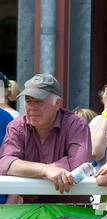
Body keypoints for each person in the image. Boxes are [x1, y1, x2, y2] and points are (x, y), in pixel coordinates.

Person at [0, 73, 91, 201]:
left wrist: (27, 172)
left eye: (39, 102)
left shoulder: (76, 124)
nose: (32, 108)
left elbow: (77, 165)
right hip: (30, 211)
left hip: (70, 209)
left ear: (58, 103)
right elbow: (5, 164)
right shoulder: (16, 126)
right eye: (28, 101)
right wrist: (46, 170)